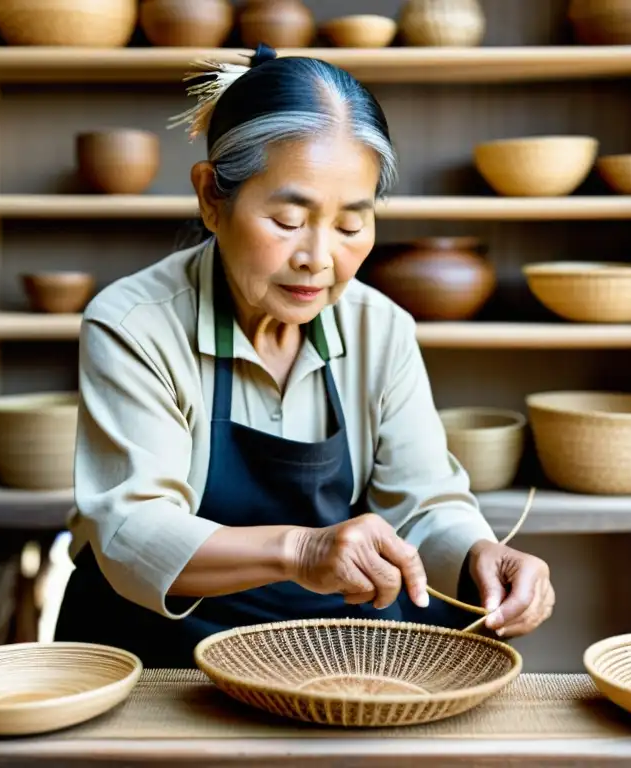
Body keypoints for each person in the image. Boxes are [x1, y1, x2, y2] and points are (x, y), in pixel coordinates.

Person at [54, 45, 555, 668]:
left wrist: (478, 554)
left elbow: (424, 504)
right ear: (212, 196)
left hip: (332, 650)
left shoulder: (382, 328)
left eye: (351, 226)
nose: (318, 257)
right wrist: (303, 551)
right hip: (160, 652)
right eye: (290, 219)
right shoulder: (135, 323)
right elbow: (133, 533)